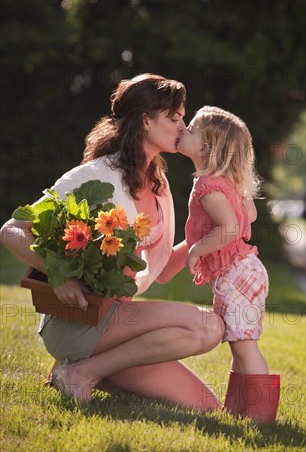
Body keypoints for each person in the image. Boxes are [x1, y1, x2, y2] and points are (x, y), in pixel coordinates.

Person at [0, 74, 224, 408]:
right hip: (78, 319)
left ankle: (83, 370)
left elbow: (159, 271)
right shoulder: (95, 176)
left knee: (207, 406)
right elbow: (12, 230)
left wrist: (208, 238)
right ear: (146, 120)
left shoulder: (158, 182)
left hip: (118, 322)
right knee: (208, 326)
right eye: (175, 117)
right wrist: (59, 273)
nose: (183, 125)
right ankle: (82, 369)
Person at [177, 106, 280, 422]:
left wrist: (196, 250)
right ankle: (239, 411)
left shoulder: (207, 185)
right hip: (247, 269)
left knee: (245, 346)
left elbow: (231, 229)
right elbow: (249, 215)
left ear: (205, 148)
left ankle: (262, 417)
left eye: (191, 129)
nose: (183, 130)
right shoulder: (228, 181)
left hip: (235, 273)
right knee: (240, 344)